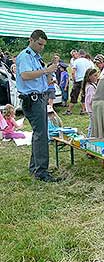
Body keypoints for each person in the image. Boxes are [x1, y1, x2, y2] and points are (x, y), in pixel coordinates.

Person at [16, 29, 60, 182]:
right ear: (31, 40)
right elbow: (25, 75)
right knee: (41, 135)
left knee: (39, 134)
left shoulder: (37, 58)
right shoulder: (25, 56)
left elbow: (45, 81)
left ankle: (36, 167)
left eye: (43, 45)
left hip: (40, 98)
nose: (41, 47)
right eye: (39, 44)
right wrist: (45, 70)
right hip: (32, 99)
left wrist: (51, 68)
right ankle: (41, 172)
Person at [65, 49, 93, 115]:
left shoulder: (76, 61)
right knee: (84, 95)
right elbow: (91, 72)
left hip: (78, 80)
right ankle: (83, 110)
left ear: (79, 54)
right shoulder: (88, 61)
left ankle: (69, 110)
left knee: (74, 95)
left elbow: (73, 72)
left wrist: (74, 80)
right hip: (86, 80)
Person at [82, 68, 98, 137]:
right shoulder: (90, 87)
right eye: (95, 75)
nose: (96, 77)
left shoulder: (91, 85)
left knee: (92, 125)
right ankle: (89, 138)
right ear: (89, 77)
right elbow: (91, 100)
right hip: (92, 109)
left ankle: (89, 137)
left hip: (91, 109)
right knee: (92, 126)